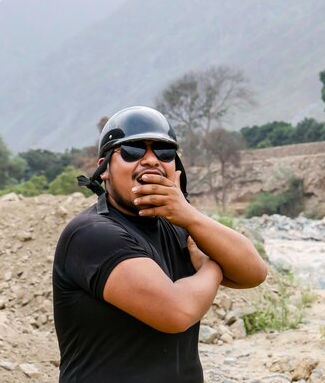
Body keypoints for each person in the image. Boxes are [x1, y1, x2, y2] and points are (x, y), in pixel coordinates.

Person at [52, 106, 267, 383]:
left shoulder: (178, 224)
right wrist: (211, 266)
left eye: (164, 153)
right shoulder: (92, 234)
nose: (151, 160)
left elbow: (254, 272)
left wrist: (189, 215)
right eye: (133, 151)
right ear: (103, 168)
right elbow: (176, 311)